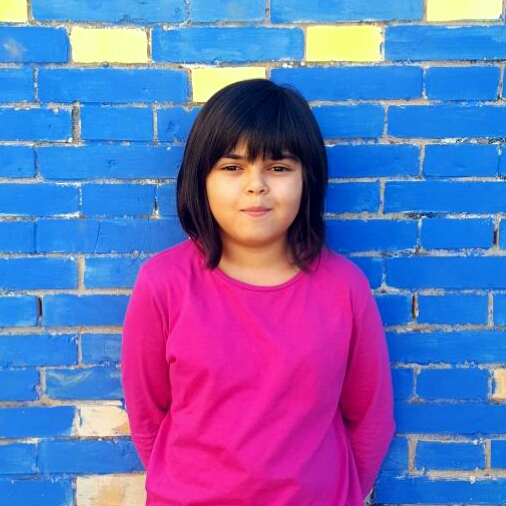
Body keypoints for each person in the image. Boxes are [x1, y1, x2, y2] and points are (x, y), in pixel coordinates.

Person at [121, 79, 395, 506]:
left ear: (308, 179)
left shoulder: (345, 288)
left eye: (279, 167)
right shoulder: (163, 284)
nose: (256, 185)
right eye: (232, 167)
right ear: (201, 178)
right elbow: (146, 414)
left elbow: (371, 417)